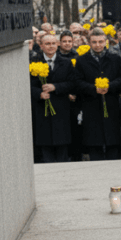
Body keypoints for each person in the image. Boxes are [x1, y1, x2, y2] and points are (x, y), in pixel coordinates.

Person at [75, 28, 121, 161]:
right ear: (89, 42)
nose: (98, 45)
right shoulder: (81, 61)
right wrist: (93, 89)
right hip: (91, 105)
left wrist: (110, 86)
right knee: (94, 143)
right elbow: (77, 82)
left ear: (106, 42)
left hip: (111, 103)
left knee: (113, 143)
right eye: (94, 42)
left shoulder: (115, 58)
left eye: (100, 41)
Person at [30, 32, 77, 163]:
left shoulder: (66, 63)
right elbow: (28, 85)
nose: (51, 46)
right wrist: (39, 93)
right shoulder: (34, 62)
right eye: (47, 44)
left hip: (61, 109)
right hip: (42, 111)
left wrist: (55, 87)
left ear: (57, 44)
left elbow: (73, 83)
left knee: (62, 147)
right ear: (41, 45)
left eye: (53, 43)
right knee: (46, 148)